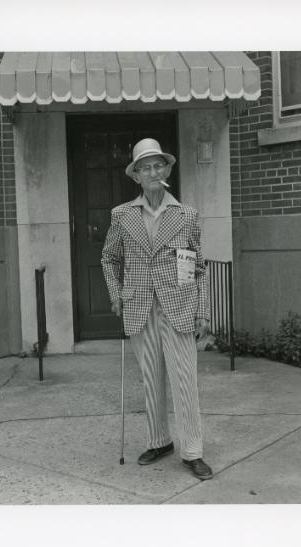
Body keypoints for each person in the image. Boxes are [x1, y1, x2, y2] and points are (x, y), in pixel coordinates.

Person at [101, 138, 213, 480]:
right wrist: (115, 293)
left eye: (158, 165)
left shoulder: (186, 215)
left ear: (168, 170)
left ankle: (192, 451)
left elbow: (197, 266)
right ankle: (159, 440)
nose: (152, 172)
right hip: (138, 305)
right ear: (135, 176)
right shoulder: (122, 215)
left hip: (178, 304)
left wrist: (202, 310)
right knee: (151, 378)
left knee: (184, 381)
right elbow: (109, 257)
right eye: (144, 167)